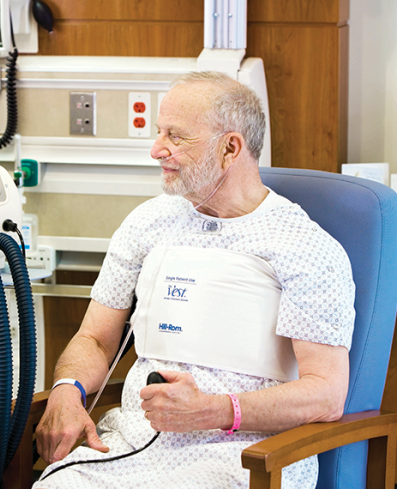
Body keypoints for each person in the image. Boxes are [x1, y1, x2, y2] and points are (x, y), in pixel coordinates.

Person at [33, 71, 355, 489]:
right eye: (158, 132)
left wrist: (216, 410)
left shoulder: (303, 247)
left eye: (176, 137)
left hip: (248, 455)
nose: (156, 149)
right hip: (133, 442)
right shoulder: (147, 224)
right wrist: (65, 390)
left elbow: (325, 394)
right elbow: (95, 338)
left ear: (230, 148)